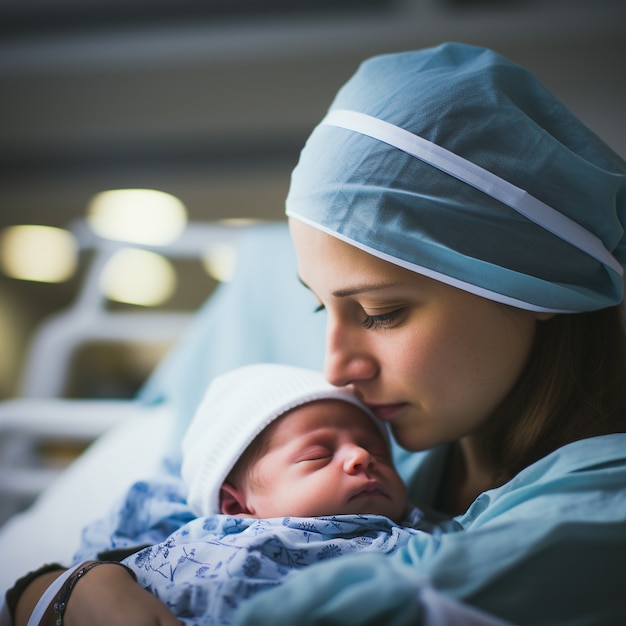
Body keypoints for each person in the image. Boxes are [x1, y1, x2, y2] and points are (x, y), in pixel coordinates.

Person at [7, 41, 626, 626]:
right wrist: (65, 588)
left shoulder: (594, 506)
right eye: (319, 308)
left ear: (532, 277)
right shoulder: (353, 433)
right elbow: (132, 538)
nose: (335, 367)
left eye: (380, 312)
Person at [118, 363, 422, 624]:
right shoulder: (200, 549)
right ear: (236, 504)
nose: (361, 456)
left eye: (377, 452)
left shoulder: (425, 538)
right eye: (318, 455)